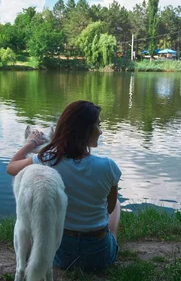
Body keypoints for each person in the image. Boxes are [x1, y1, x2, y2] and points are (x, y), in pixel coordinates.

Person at [6, 100, 121, 271]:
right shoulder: (108, 166)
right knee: (116, 204)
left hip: (61, 255)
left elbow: (11, 168)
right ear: (86, 130)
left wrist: (30, 143)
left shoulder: (48, 160)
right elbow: (109, 208)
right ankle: (112, 239)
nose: (101, 130)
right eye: (98, 125)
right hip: (100, 256)